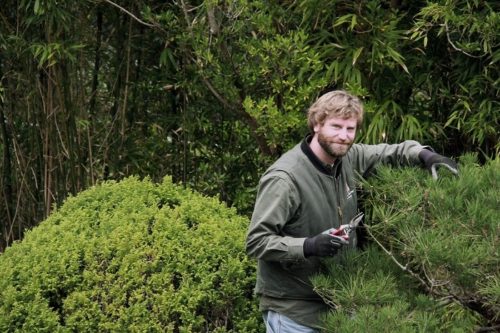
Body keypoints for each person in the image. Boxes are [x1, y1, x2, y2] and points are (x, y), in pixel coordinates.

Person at [245, 90, 458, 332]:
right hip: (296, 311)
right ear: (317, 124)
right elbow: (256, 242)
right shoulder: (285, 179)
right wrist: (308, 246)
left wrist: (426, 155)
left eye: (351, 129)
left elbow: (390, 152)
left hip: (341, 306)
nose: (344, 136)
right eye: (336, 127)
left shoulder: (348, 158)